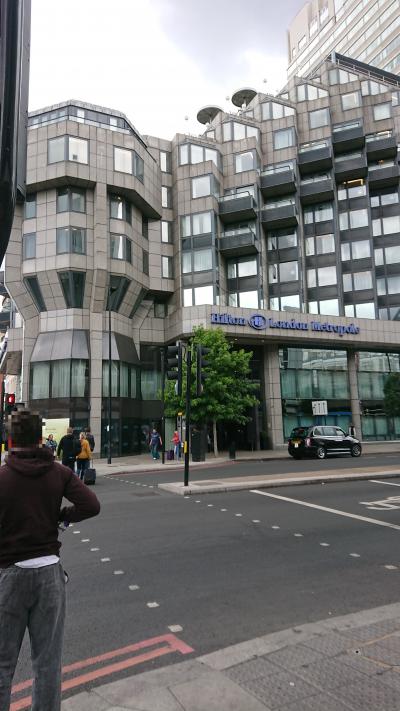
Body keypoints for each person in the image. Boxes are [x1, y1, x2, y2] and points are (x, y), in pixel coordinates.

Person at [0, 407, 100, 711]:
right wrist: (61, 516)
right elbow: (91, 505)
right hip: (49, 575)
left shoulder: (2, 477)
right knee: (46, 664)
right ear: (41, 437)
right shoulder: (59, 472)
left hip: (10, 575)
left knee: (3, 665)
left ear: (11, 439)